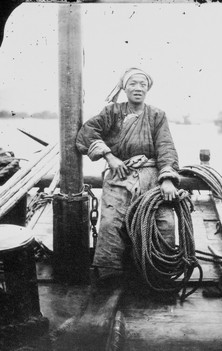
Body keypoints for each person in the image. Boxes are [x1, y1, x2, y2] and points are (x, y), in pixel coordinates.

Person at [76, 67, 180, 279]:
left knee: (165, 221)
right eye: (133, 83)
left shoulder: (157, 115)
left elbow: (166, 147)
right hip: (119, 176)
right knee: (110, 223)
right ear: (124, 87)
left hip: (151, 178)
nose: (138, 88)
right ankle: (110, 273)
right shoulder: (111, 112)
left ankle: (159, 270)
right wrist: (109, 156)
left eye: (143, 84)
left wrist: (167, 179)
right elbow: (86, 133)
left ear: (148, 89)